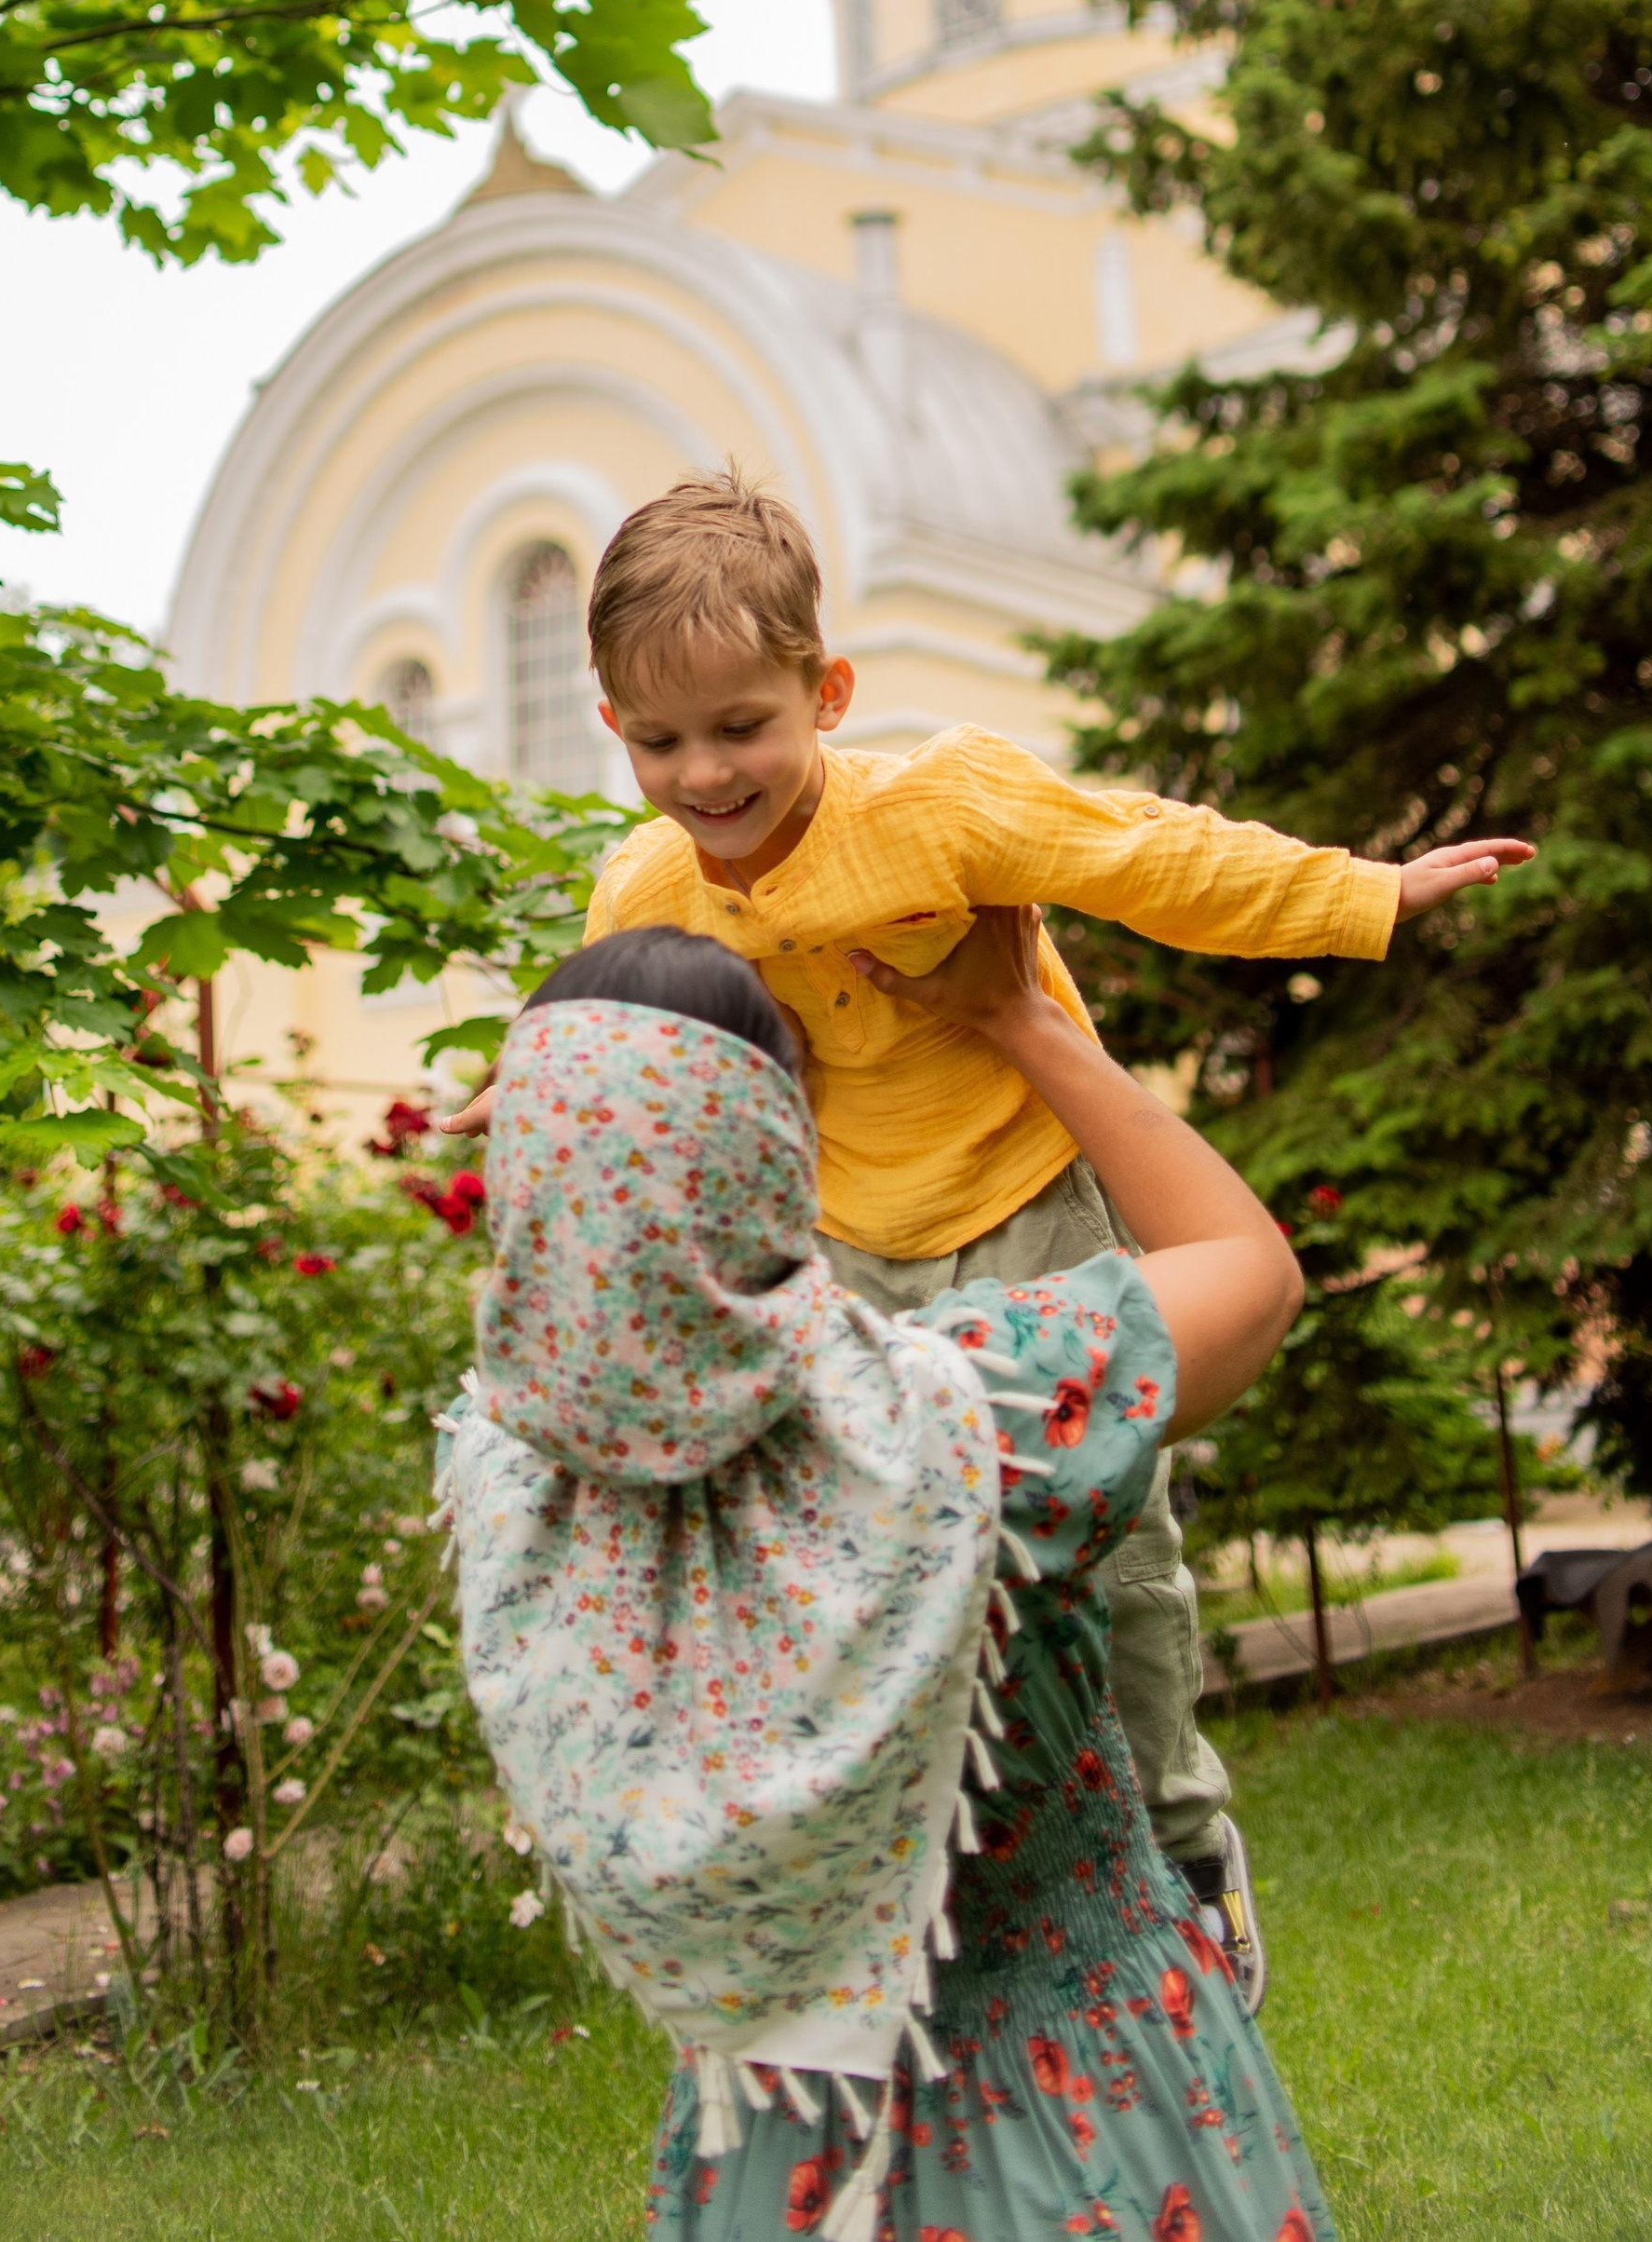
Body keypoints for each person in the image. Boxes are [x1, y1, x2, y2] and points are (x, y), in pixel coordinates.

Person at [440, 469, 1534, 1991]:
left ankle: (1184, 1842)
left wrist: (1363, 895)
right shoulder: (647, 879)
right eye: (663, 739)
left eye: (743, 725)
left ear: (825, 693)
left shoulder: (939, 806)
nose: (705, 773)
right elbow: (628, 1033)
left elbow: (1145, 853)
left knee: (1107, 1546)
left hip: (1024, 1207)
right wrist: (522, 1086)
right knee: (874, 1559)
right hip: (836, 1253)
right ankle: (926, 1862)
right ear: (615, 725)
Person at [439, 914, 1339, 2242]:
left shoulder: (505, 1489)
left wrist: (596, 1141)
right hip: (1098, 2117)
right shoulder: (971, 1411)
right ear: (778, 1146)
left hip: (774, 2162)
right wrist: (1021, 1021)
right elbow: (1252, 1277)